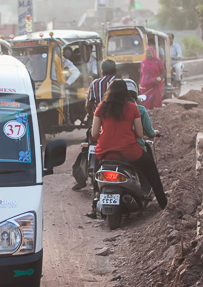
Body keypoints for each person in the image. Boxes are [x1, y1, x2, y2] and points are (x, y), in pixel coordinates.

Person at [86, 79, 167, 218]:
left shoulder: (101, 107)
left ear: (109, 92)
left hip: (105, 151)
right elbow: (140, 134)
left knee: (96, 172)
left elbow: (93, 134)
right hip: (129, 152)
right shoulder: (133, 108)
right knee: (151, 168)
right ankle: (163, 203)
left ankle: (95, 204)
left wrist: (106, 133)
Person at [71, 59, 116, 191]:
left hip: (98, 123)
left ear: (102, 71)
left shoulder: (96, 84)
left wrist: (91, 115)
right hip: (118, 123)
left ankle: (82, 178)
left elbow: (89, 104)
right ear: (115, 70)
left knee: (88, 146)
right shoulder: (121, 84)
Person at [125, 79, 159, 155]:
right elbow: (146, 133)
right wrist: (155, 133)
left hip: (110, 149)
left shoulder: (109, 109)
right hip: (134, 150)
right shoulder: (139, 109)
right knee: (149, 165)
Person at [139, 46, 166, 110]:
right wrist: (140, 83)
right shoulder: (143, 63)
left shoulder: (158, 61)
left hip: (156, 83)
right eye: (147, 53)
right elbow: (142, 74)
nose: (148, 55)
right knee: (145, 100)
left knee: (157, 99)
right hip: (146, 84)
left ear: (153, 53)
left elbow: (163, 72)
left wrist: (158, 79)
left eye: (149, 53)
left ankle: (157, 112)